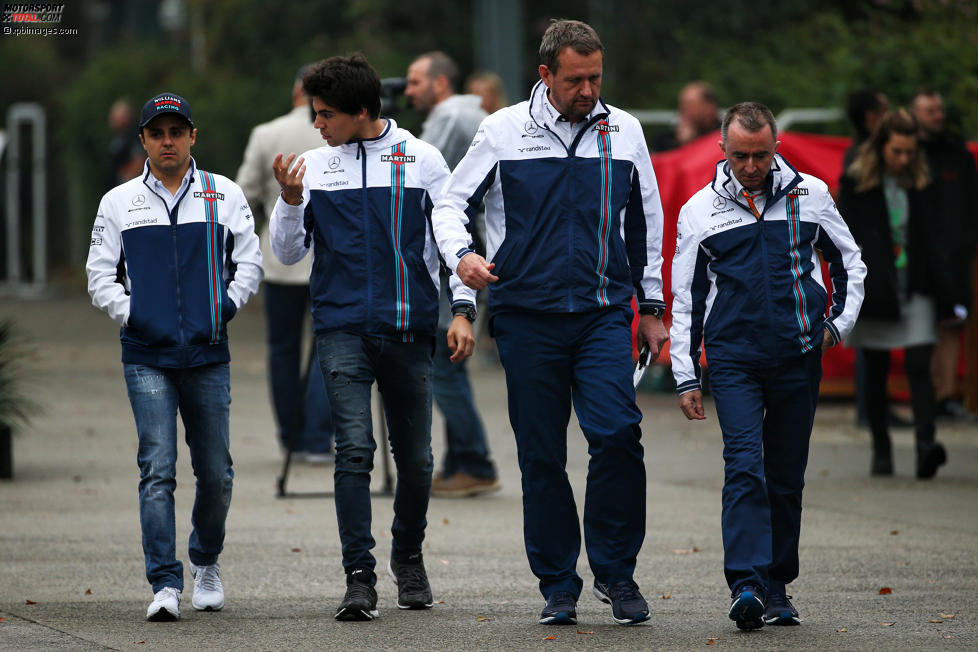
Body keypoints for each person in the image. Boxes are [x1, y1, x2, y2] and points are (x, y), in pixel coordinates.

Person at [431, 19, 668, 627]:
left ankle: (617, 574)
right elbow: (451, 203)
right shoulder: (503, 129)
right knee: (541, 454)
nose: (588, 90)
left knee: (617, 433)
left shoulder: (625, 129)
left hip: (602, 312)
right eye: (575, 80)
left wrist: (652, 309)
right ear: (546, 75)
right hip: (526, 316)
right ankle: (558, 582)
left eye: (595, 77)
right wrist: (462, 258)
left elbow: (645, 222)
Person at [269, 54, 477, 621]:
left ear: (361, 111)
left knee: (415, 459)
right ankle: (358, 577)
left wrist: (463, 310)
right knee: (354, 451)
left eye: (326, 115)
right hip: (340, 330)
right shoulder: (313, 166)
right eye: (315, 114)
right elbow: (287, 253)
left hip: (410, 329)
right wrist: (288, 202)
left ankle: (407, 557)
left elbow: (452, 238)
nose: (317, 125)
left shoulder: (424, 159)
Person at [670, 102, 865, 630]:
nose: (751, 166)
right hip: (733, 360)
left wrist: (835, 327)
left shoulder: (811, 195)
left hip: (798, 356)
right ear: (722, 150)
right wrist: (686, 374)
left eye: (760, 155)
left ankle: (778, 588)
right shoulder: (700, 209)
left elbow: (850, 261)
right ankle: (747, 583)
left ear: (775, 146)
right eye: (740, 156)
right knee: (744, 467)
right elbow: (685, 297)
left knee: (785, 476)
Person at [86, 93, 262, 621]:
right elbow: (99, 276)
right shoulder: (118, 202)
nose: (168, 142)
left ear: (192, 136)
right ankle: (164, 583)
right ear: (142, 139)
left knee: (217, 473)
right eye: (157, 133)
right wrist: (135, 314)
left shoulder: (223, 194)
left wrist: (224, 308)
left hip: (208, 353)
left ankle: (205, 562)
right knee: (157, 470)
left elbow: (249, 262)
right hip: (147, 355)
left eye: (177, 132)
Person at [405, 50, 500, 498]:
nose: (407, 91)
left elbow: (424, 181)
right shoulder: (467, 114)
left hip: (456, 255)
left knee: (445, 364)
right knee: (450, 364)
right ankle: (460, 461)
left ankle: (475, 461)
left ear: (440, 84)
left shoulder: (449, 117)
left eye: (415, 82)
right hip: (468, 251)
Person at [839, 108, 951, 478]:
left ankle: (925, 445)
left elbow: (936, 238)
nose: (904, 159)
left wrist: (949, 290)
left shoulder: (923, 182)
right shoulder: (857, 183)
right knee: (876, 368)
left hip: (915, 284)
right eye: (896, 151)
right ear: (881, 147)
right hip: (875, 287)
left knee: (920, 364)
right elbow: (845, 237)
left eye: (910, 152)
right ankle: (881, 448)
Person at [235, 65, 334, 463]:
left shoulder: (266, 133)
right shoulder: (336, 132)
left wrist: (265, 217)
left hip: (279, 260)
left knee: (282, 350)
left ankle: (290, 437)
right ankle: (317, 437)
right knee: (329, 347)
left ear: (296, 91)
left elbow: (244, 191)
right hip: (327, 259)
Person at [910, 88, 978, 421]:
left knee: (952, 323)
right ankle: (928, 394)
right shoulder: (909, 153)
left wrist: (967, 243)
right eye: (929, 111)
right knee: (923, 325)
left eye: (939, 109)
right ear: (915, 114)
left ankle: (948, 395)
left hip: (954, 255)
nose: (937, 115)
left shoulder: (958, 153)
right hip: (919, 257)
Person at [842, 89, 906, 428]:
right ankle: (870, 408)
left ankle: (872, 407)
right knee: (870, 339)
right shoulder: (862, 161)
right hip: (874, 264)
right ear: (871, 116)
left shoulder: (865, 156)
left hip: (875, 263)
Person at [653, 80, 722, 152]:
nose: (683, 109)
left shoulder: (724, 137)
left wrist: (691, 143)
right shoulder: (666, 141)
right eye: (682, 104)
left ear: (709, 107)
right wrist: (680, 144)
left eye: (690, 104)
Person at [104, 98, 146, 191]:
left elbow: (139, 162)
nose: (112, 119)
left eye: (116, 116)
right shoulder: (118, 139)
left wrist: (123, 184)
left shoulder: (134, 137)